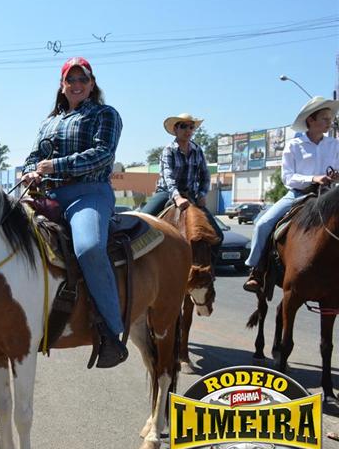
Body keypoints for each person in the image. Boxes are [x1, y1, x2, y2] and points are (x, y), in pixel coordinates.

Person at [21, 57, 128, 368]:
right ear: (62, 85)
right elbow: (33, 157)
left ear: (92, 84)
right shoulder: (48, 122)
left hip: (88, 193)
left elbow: (103, 154)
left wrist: (55, 166)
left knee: (89, 247)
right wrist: (30, 172)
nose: (77, 85)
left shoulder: (105, 114)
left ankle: (110, 332)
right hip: (47, 196)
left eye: (83, 79)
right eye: (71, 80)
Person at [243, 96, 339, 293]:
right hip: (298, 194)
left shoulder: (334, 144)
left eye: (330, 118)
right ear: (311, 120)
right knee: (263, 223)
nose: (329, 122)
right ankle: (256, 270)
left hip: (329, 196)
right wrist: (313, 178)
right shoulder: (294, 145)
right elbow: (287, 178)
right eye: (325, 118)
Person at [141, 113, 224, 246]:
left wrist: (202, 194)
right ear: (175, 129)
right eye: (184, 126)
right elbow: (168, 177)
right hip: (166, 193)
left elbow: (205, 175)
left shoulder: (197, 150)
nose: (188, 130)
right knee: (142, 221)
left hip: (191, 195)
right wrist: (177, 197)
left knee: (218, 235)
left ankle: (211, 260)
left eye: (191, 127)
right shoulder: (169, 150)